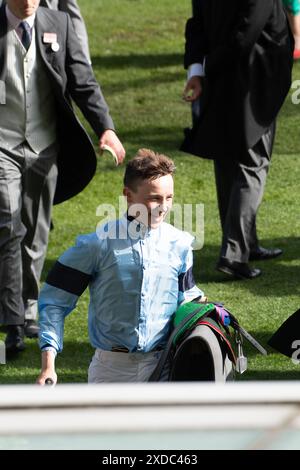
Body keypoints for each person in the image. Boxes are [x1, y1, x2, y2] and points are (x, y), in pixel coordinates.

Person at [0, 0, 125, 355]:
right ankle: (13, 321)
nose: (27, 3)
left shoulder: (58, 23)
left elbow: (82, 78)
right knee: (8, 226)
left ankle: (28, 308)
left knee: (36, 234)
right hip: (2, 144)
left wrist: (106, 127)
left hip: (44, 144)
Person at [36, 149, 205, 384]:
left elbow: (186, 297)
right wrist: (48, 364)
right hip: (110, 371)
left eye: (169, 198)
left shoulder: (180, 244)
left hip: (164, 367)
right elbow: (54, 301)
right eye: (154, 198)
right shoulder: (96, 245)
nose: (163, 207)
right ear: (128, 195)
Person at [181, 0, 293, 280]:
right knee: (252, 165)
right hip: (251, 85)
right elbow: (244, 36)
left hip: (220, 81)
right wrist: (206, 68)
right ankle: (234, 253)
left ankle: (248, 243)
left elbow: (197, 25)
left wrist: (198, 70)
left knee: (228, 161)